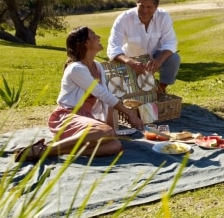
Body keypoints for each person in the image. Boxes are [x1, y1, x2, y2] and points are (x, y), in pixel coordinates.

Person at [13, 27, 144, 162]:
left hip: (86, 121)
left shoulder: (97, 66)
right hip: (67, 117)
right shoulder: (76, 69)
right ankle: (45, 150)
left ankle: (55, 150)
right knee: (105, 131)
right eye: (93, 35)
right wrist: (129, 114)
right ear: (86, 43)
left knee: (114, 145)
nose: (98, 37)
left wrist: (112, 130)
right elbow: (103, 94)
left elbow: (106, 99)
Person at [107, 0, 180, 94]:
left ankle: (160, 90)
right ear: (136, 4)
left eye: (149, 7)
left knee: (174, 58)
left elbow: (170, 43)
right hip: (130, 60)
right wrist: (130, 62)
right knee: (129, 93)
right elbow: (113, 47)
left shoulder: (163, 16)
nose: (144, 11)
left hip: (154, 57)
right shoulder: (123, 18)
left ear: (156, 7)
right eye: (141, 6)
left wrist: (158, 61)